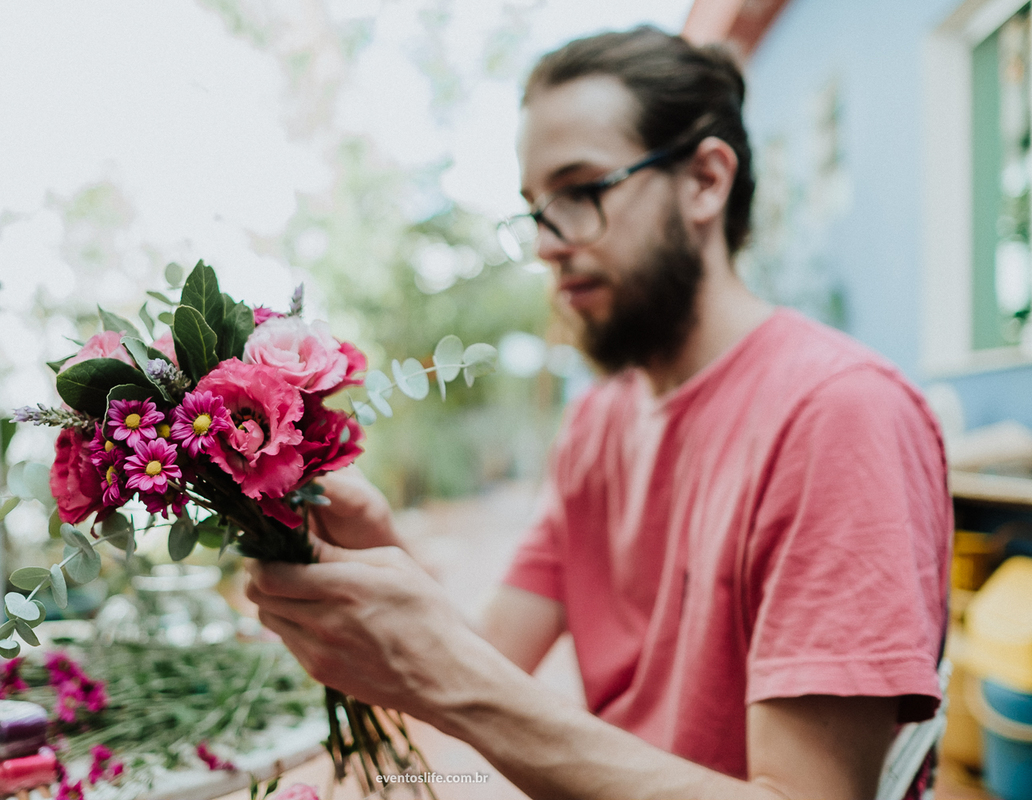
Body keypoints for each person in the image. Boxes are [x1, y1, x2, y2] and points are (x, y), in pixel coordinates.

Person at [246, 26, 951, 800]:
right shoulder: (598, 423)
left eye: (579, 192)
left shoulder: (837, 416)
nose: (548, 243)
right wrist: (379, 552)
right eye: (535, 209)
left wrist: (447, 675)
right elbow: (492, 657)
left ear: (707, 181)